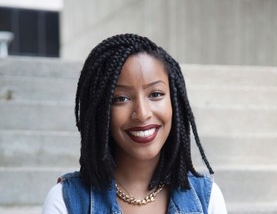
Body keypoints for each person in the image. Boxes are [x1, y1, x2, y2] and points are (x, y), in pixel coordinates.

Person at [42, 33, 227, 214]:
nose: (142, 114)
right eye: (121, 98)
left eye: (155, 94)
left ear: (175, 102)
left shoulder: (207, 198)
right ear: (101, 109)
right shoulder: (65, 202)